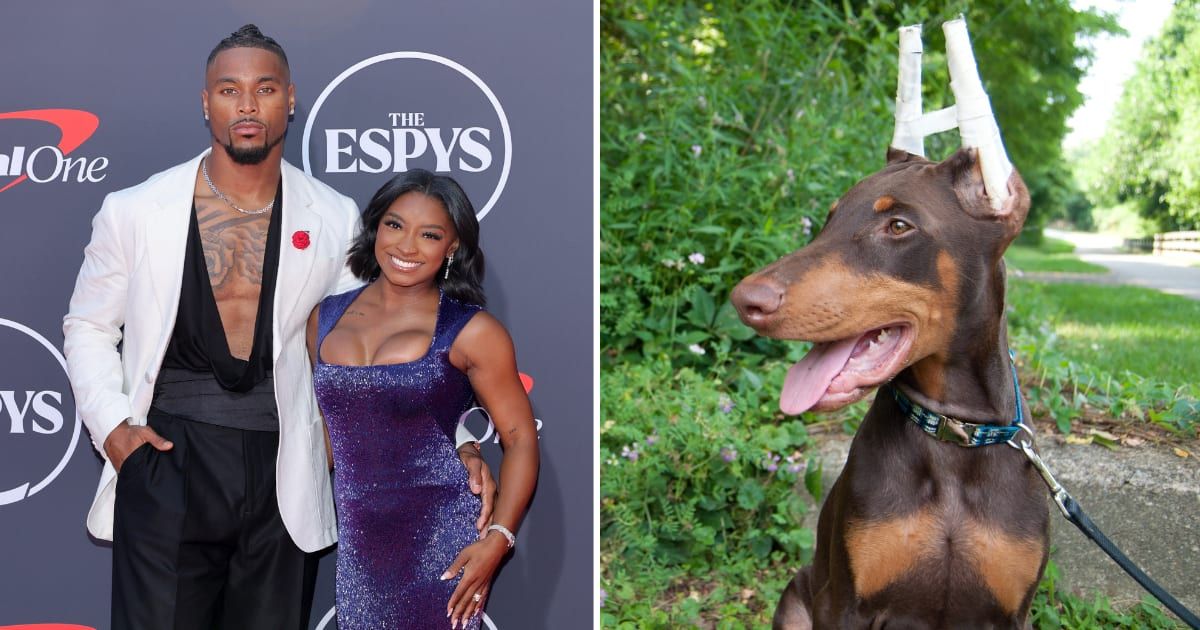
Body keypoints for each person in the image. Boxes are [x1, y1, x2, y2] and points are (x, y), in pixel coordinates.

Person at [62, 25, 494, 629]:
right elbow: (87, 327)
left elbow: (376, 349)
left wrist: (458, 439)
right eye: (228, 90)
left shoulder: (336, 216)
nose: (246, 105)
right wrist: (114, 431)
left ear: (289, 100)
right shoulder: (134, 211)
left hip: (285, 467)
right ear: (204, 101)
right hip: (166, 460)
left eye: (263, 89)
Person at [307, 169, 539, 629]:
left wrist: (498, 539)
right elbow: (322, 438)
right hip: (359, 545)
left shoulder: (473, 331)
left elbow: (520, 439)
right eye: (395, 225)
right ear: (376, 226)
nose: (406, 247)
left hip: (443, 534)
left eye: (429, 234)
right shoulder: (323, 317)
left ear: (452, 247)